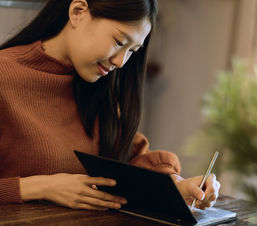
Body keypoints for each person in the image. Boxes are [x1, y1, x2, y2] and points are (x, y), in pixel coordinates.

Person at [0, 0, 220, 211]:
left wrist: (177, 186)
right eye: (119, 42)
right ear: (78, 12)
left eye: (132, 51)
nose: (120, 62)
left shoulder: (96, 86)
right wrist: (41, 187)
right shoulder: (5, 75)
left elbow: (128, 157)